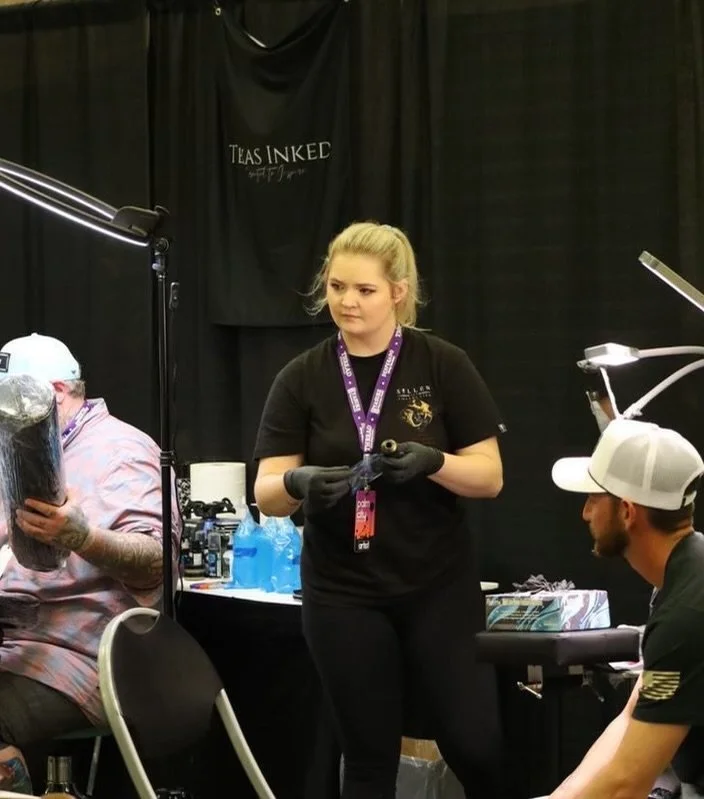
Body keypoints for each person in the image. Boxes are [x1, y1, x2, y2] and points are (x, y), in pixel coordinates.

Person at [253, 221, 507, 798]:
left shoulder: (442, 364)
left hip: (437, 586)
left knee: (475, 745)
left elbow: (490, 476)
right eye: (337, 286)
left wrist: (434, 462)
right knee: (367, 758)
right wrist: (296, 482)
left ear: (397, 291)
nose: (347, 301)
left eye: (364, 290)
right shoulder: (302, 377)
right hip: (343, 592)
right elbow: (265, 492)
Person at [0, 332, 182, 795]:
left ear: (56, 392)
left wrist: (82, 537)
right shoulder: (21, 454)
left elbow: (156, 563)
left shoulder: (121, 452)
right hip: (17, 640)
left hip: (82, 655)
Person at [551, 417, 704, 799]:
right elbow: (633, 716)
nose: (585, 513)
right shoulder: (680, 582)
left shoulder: (686, 617)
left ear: (626, 511)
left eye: (593, 498)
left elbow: (627, 783)